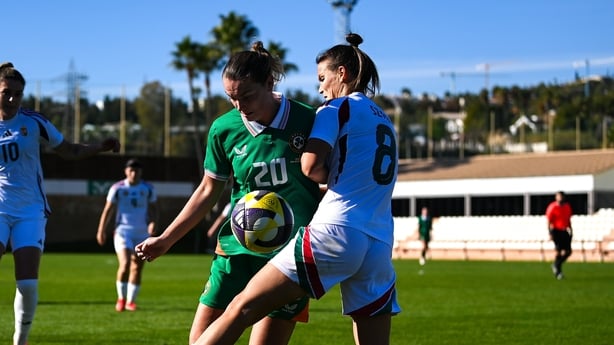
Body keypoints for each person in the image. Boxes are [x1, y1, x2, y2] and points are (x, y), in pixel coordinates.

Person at [193, 33, 401, 345]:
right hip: (379, 239)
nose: (320, 88)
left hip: (336, 230)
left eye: (322, 77)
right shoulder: (384, 119)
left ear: (341, 74)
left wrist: (323, 178)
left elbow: (310, 166)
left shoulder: (334, 109)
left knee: (240, 307)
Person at [135, 42, 320, 345]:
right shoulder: (223, 129)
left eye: (247, 95)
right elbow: (207, 190)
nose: (239, 105)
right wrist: (166, 239)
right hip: (237, 249)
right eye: (231, 97)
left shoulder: (308, 119)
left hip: (288, 257)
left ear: (269, 83)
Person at [0, 62, 120, 345]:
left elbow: (69, 150)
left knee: (27, 284)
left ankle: (21, 340)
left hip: (30, 212)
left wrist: (99, 147)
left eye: (17, 93)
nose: (12, 98)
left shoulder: (33, 122)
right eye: (6, 92)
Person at [96, 158, 158, 312]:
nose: (134, 173)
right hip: (123, 231)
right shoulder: (117, 188)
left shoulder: (148, 188)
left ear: (140, 172)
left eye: (136, 170)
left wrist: (153, 222)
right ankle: (121, 299)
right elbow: (107, 210)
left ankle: (131, 301)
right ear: (126, 171)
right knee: (125, 264)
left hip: (142, 232)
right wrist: (101, 230)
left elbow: (154, 209)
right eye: (131, 170)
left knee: (137, 266)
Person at [545, 191, 573, 280]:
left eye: (561, 196)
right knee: (558, 251)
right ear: (556, 197)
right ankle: (558, 272)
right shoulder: (552, 207)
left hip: (564, 230)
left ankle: (556, 265)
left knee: (568, 251)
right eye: (558, 196)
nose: (560, 198)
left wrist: (571, 229)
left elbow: (568, 219)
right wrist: (550, 232)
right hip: (556, 231)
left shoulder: (567, 207)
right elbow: (549, 221)